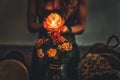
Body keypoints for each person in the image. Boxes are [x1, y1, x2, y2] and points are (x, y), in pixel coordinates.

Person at [27, 0, 88, 80]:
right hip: (43, 49)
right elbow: (31, 25)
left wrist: (67, 29)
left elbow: (81, 26)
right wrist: (45, 26)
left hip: (67, 49)